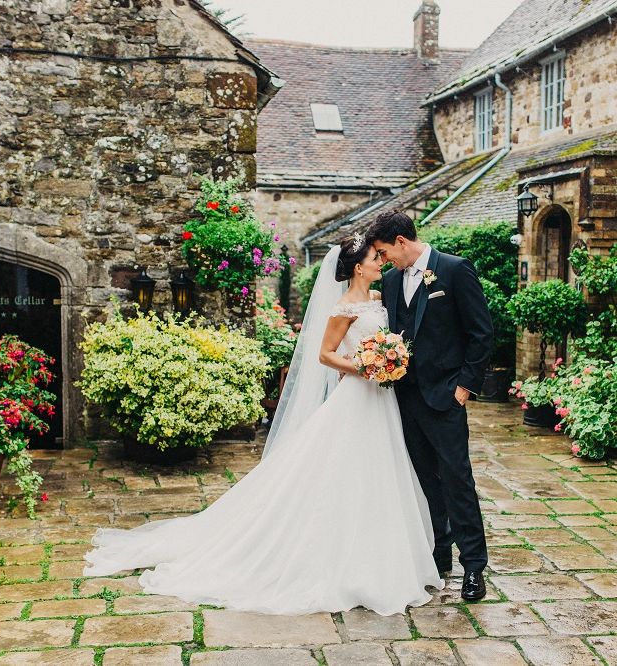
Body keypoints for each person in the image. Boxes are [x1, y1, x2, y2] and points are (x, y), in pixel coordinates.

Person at [83, 235, 444, 615]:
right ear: (358, 267)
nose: (381, 263)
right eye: (375, 258)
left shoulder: (377, 300)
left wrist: (387, 362)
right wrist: (365, 367)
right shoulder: (343, 308)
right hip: (358, 394)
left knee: (379, 472)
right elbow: (325, 355)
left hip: (381, 398)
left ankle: (381, 556)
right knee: (345, 469)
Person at [368, 210, 493, 601]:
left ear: (402, 242)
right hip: (404, 398)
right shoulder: (390, 281)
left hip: (445, 396)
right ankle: (439, 554)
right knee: (424, 482)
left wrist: (465, 388)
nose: (385, 260)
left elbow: (481, 332)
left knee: (457, 479)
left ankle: (474, 566)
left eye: (386, 252)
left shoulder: (454, 270)